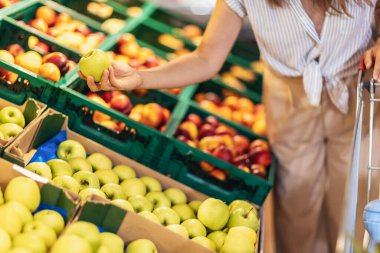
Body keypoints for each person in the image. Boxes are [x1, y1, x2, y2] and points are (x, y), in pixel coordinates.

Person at [80, 0, 380, 252]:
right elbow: (206, 57)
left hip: (363, 96)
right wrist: (141, 77)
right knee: (297, 209)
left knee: (358, 207)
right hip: (290, 101)